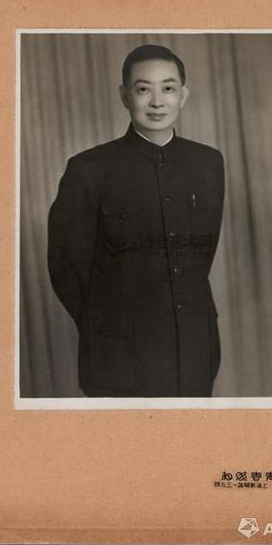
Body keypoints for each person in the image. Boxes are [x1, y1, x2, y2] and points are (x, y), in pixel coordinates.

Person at [48, 44, 224, 397]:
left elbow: (200, 255)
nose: (157, 102)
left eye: (168, 88)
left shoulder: (207, 163)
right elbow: (66, 268)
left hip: (193, 351)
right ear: (125, 96)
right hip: (118, 359)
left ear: (183, 95)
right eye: (144, 89)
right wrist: (106, 327)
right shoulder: (89, 169)